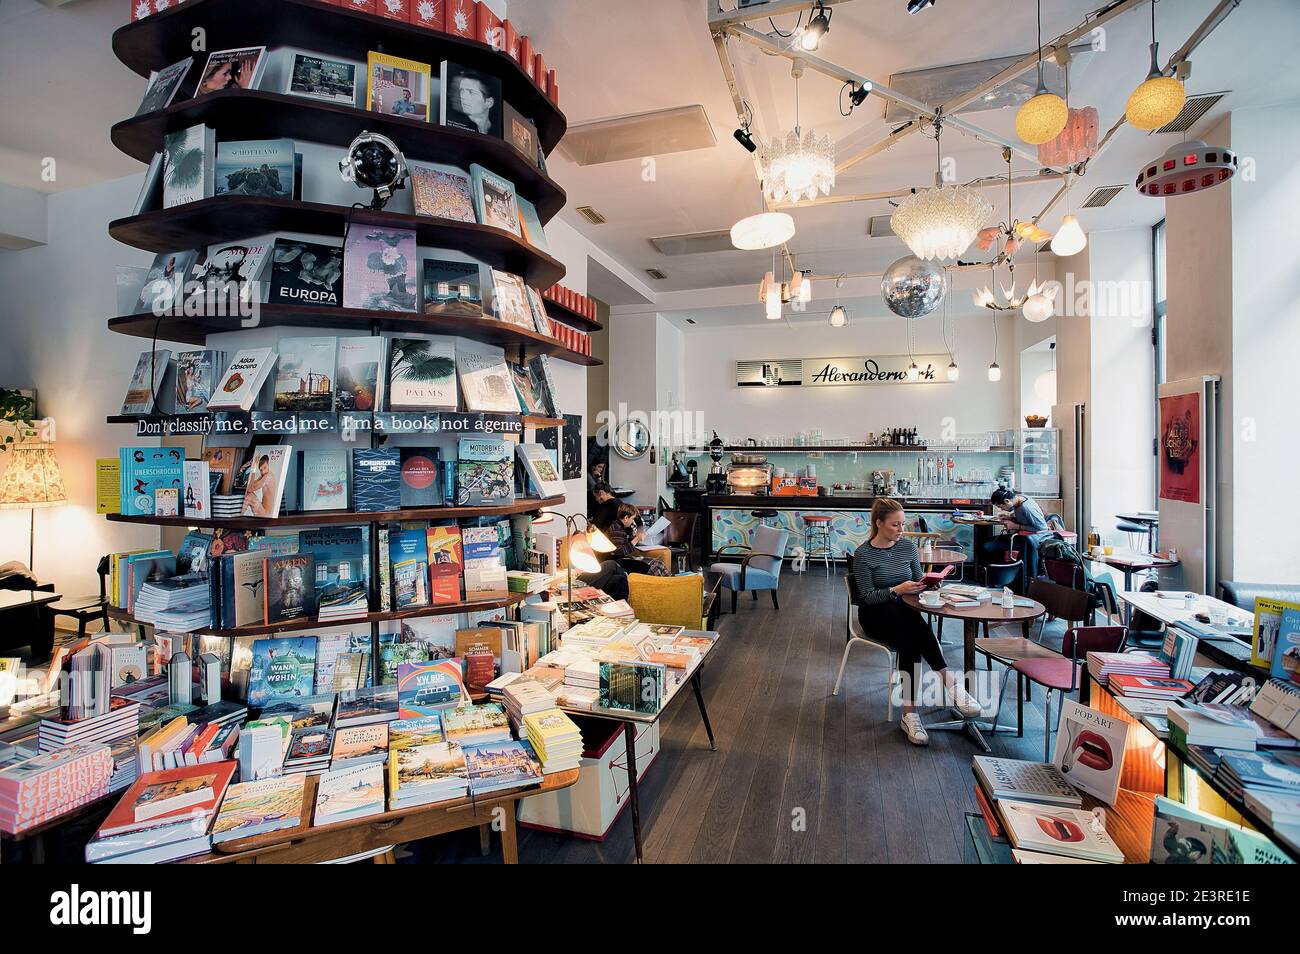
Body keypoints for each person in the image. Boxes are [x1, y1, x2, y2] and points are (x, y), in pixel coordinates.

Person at [852, 498, 982, 746]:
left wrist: (929, 583)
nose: (901, 530)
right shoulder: (863, 554)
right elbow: (867, 597)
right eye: (895, 525)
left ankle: (910, 715)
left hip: (904, 613)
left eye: (902, 524)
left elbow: (917, 580)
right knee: (911, 625)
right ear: (878, 523)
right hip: (874, 615)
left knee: (909, 638)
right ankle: (952, 686)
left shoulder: (908, 548)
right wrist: (896, 590)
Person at [989, 486, 1052, 584]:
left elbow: (1042, 528)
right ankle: (999, 578)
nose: (1001, 509)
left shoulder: (1027, 508)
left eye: (1001, 507)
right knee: (989, 541)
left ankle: (1001, 579)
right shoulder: (1020, 498)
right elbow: (1021, 515)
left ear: (1006, 501)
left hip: (1029, 542)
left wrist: (1016, 526)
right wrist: (1010, 515)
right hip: (1021, 537)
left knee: (988, 546)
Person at [598, 503, 671, 577]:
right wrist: (636, 539)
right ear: (626, 518)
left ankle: (671, 582)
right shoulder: (616, 529)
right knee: (654, 567)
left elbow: (621, 543)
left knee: (659, 563)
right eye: (632, 518)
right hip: (618, 561)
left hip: (622, 559)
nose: (632, 521)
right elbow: (619, 552)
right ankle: (668, 584)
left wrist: (633, 538)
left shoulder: (618, 526)